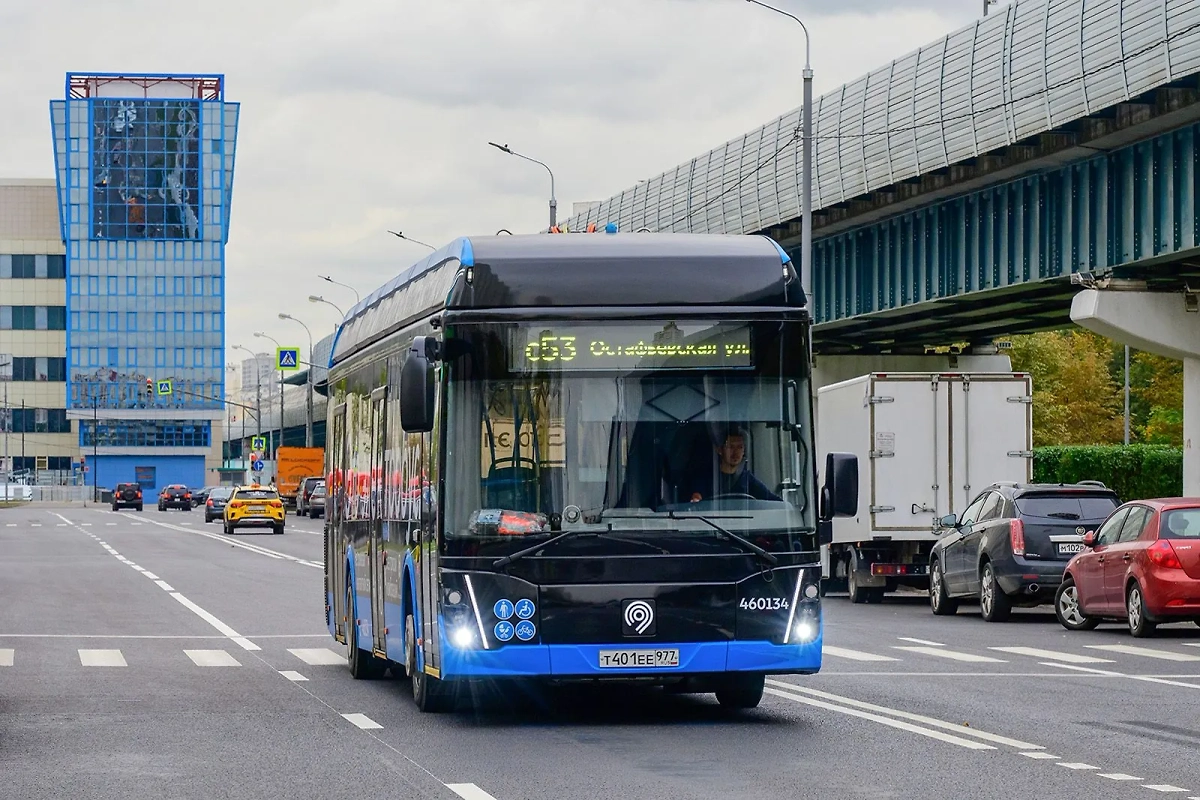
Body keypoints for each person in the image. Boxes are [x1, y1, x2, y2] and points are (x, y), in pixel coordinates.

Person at [688, 427, 780, 502]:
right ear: (719, 449)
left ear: (744, 451)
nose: (736, 452)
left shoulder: (748, 480)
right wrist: (696, 499)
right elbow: (696, 498)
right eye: (730, 447)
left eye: (740, 447)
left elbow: (773, 501)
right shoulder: (704, 478)